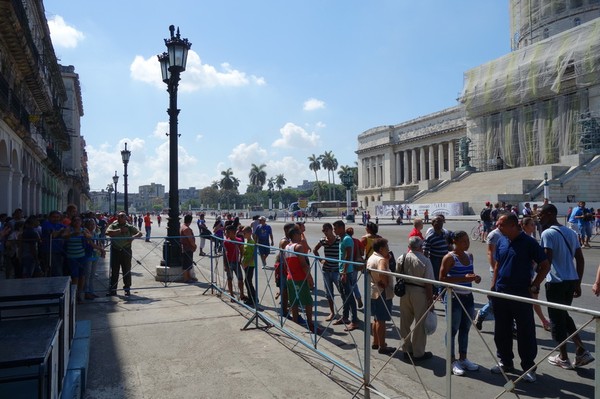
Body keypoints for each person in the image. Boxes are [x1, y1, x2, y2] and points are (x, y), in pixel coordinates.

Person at [490, 213, 550, 383]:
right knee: (501, 330)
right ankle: (505, 362)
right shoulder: (501, 241)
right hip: (501, 293)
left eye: (501, 225)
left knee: (525, 331)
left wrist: (535, 284)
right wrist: (493, 287)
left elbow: (545, 265)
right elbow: (497, 265)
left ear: (513, 225)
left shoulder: (529, 242)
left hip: (521, 294)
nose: (497, 227)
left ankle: (529, 367)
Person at [538, 204, 594, 369]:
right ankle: (581, 350)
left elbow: (546, 262)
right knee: (563, 316)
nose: (538, 218)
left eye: (540, 214)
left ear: (550, 214)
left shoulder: (547, 233)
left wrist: (535, 282)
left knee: (557, 320)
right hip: (570, 281)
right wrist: (577, 281)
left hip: (556, 282)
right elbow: (580, 259)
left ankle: (563, 357)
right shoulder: (570, 232)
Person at [439, 231, 481, 376]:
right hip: (454, 297)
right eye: (463, 241)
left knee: (465, 328)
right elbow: (442, 278)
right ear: (455, 241)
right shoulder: (449, 258)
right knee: (452, 329)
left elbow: (469, 274)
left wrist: (475, 278)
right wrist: (463, 278)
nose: (467, 243)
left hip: (468, 297)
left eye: (467, 240)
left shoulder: (469, 256)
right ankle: (451, 360)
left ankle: (463, 358)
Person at [399, 236, 434, 361]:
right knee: (419, 323)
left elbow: (397, 274)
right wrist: (431, 300)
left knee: (404, 322)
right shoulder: (425, 260)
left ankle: (406, 349)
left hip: (405, 291)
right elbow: (428, 283)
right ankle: (418, 352)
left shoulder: (402, 258)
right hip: (419, 292)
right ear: (420, 247)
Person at [284, 226, 321, 334]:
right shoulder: (298, 247)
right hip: (299, 278)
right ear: (295, 235)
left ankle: (296, 324)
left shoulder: (287, 246)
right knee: (308, 302)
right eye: (299, 233)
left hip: (290, 277)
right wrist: (310, 278)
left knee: (294, 302)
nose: (301, 235)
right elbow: (304, 265)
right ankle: (310, 324)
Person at [521, 217, 551, 331]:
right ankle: (544, 321)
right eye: (531, 225)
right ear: (524, 226)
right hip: (526, 273)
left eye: (534, 224)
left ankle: (543, 320)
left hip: (532, 272)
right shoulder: (522, 239)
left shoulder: (532, 239)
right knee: (533, 298)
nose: (534, 227)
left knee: (533, 298)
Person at [367, 238, 395, 355]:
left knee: (376, 318)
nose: (388, 250)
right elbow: (382, 272)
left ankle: (375, 341)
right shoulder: (381, 260)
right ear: (382, 249)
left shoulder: (371, 257)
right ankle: (382, 346)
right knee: (381, 320)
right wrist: (386, 282)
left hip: (373, 290)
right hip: (382, 292)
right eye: (387, 247)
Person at [105, 211, 142, 296]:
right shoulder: (114, 225)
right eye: (119, 216)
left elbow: (139, 233)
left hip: (126, 250)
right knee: (114, 270)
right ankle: (113, 289)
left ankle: (127, 288)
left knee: (126, 270)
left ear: (125, 218)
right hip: (115, 250)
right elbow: (107, 232)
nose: (120, 218)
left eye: (122, 216)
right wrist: (119, 231)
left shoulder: (129, 227)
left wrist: (133, 237)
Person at [333, 220, 359, 332]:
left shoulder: (347, 239)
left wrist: (343, 272)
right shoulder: (341, 239)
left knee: (350, 297)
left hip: (346, 272)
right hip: (341, 270)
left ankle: (354, 321)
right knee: (344, 296)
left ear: (341, 228)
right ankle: (345, 317)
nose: (334, 230)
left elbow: (348, 257)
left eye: (335, 228)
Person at [313, 223, 341, 321]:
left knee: (343, 291)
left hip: (337, 270)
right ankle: (332, 312)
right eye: (323, 231)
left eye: (326, 230)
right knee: (329, 293)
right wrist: (321, 260)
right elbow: (315, 250)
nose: (324, 232)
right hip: (326, 270)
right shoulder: (323, 240)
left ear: (330, 229)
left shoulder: (338, 240)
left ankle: (347, 314)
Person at [63, 216, 92, 302]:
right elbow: (64, 236)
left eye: (78, 221)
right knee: (75, 276)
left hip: (82, 255)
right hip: (72, 256)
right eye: (75, 220)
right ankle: (73, 295)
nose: (77, 222)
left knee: (82, 275)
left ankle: (80, 293)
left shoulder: (83, 229)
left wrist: (85, 234)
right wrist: (72, 234)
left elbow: (90, 236)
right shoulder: (69, 229)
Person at [423, 216, 452, 298]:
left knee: (445, 276)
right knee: (436, 276)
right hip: (435, 259)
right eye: (437, 222)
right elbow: (425, 250)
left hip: (445, 258)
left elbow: (449, 247)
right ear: (433, 224)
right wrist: (426, 263)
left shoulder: (445, 235)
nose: (440, 223)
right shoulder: (430, 237)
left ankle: (442, 292)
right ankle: (436, 293)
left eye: (441, 222)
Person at [83, 218, 105, 299]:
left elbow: (98, 242)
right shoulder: (86, 232)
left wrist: (101, 249)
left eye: (93, 224)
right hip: (88, 255)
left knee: (92, 275)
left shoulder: (95, 233)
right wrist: (101, 249)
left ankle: (92, 291)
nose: (92, 226)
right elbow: (91, 243)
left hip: (95, 255)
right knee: (87, 275)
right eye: (90, 224)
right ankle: (86, 292)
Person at [223, 225, 245, 301]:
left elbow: (242, 250)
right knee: (229, 278)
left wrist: (241, 258)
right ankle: (231, 294)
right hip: (229, 262)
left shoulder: (238, 240)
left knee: (240, 278)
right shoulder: (226, 241)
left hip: (236, 262)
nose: (226, 234)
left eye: (227, 232)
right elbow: (224, 254)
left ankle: (242, 294)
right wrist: (225, 265)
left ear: (232, 232)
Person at [241, 226, 257, 307]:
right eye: (243, 233)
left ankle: (253, 298)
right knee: (247, 282)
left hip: (250, 265)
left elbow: (254, 255)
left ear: (249, 233)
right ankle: (252, 296)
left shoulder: (252, 242)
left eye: (245, 233)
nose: (243, 234)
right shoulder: (246, 242)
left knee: (248, 282)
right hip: (246, 264)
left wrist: (247, 263)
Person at [180, 214, 198, 283]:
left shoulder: (183, 226)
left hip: (186, 248)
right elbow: (190, 239)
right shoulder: (186, 229)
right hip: (187, 248)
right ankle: (186, 278)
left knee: (189, 263)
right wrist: (194, 246)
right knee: (186, 264)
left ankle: (189, 277)